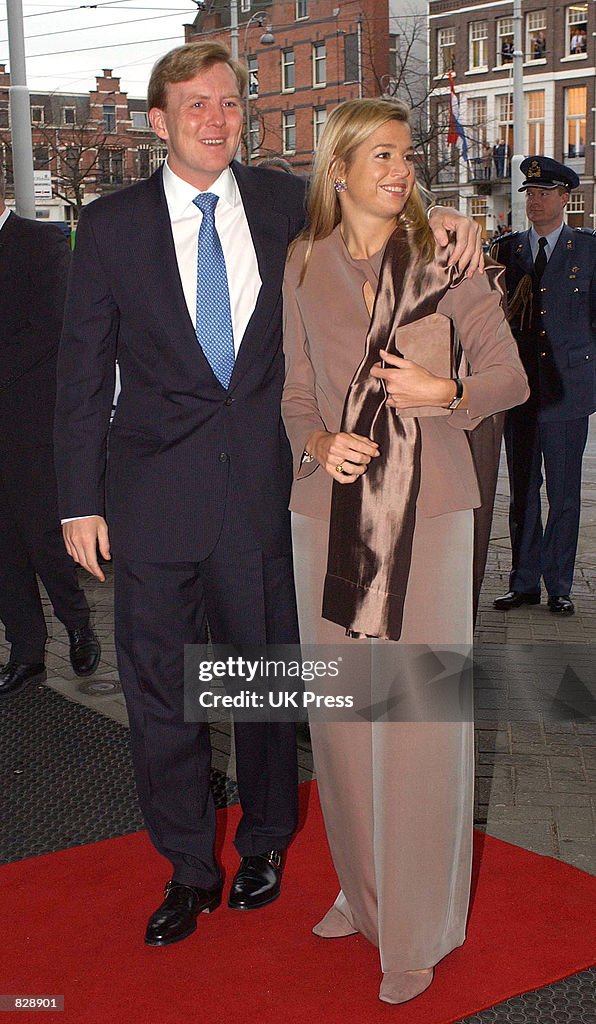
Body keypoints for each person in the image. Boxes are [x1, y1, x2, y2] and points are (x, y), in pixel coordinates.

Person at [54, 42, 484, 948]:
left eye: (231, 104)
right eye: (197, 105)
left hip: (263, 494)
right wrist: (76, 499)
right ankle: (184, 865)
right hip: (152, 499)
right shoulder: (113, 224)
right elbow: (82, 371)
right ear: (159, 121)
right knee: (161, 692)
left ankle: (266, 840)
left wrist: (449, 215)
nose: (218, 119)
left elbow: (381, 209)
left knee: (262, 685)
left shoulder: (289, 205)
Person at [281, 98, 528, 1005]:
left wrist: (445, 387)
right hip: (327, 512)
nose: (400, 168)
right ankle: (366, 888)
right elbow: (294, 393)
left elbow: (511, 376)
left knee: (419, 726)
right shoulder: (303, 261)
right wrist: (316, 445)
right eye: (380, 154)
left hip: (430, 511)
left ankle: (420, 926)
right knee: (345, 723)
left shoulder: (448, 257)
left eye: (407, 155)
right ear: (337, 168)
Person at [0, 172, 100, 698]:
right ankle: (26, 653)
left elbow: (52, 328)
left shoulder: (42, 242)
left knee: (42, 533)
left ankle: (78, 623)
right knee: (2, 548)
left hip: (31, 423)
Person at [491, 156, 595, 616]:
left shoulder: (589, 251)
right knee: (523, 493)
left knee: (566, 496)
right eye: (530, 194)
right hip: (520, 393)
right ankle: (524, 582)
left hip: (568, 391)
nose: (534, 202)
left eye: (544, 194)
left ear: (565, 198)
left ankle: (561, 585)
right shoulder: (506, 250)